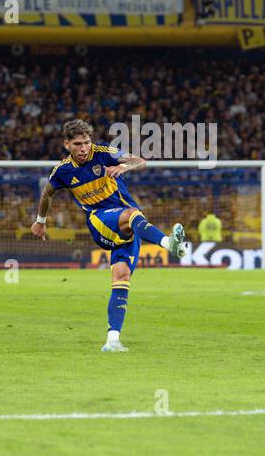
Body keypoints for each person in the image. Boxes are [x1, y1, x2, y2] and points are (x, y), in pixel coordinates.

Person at [31, 119, 190, 353]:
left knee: (121, 276)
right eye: (77, 144)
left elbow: (140, 160)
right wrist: (40, 221)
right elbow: (47, 194)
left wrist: (123, 167)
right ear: (66, 144)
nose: (84, 148)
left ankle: (112, 340)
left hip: (130, 227)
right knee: (132, 214)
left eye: (86, 142)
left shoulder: (104, 153)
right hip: (99, 221)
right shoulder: (63, 171)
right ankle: (169, 244)